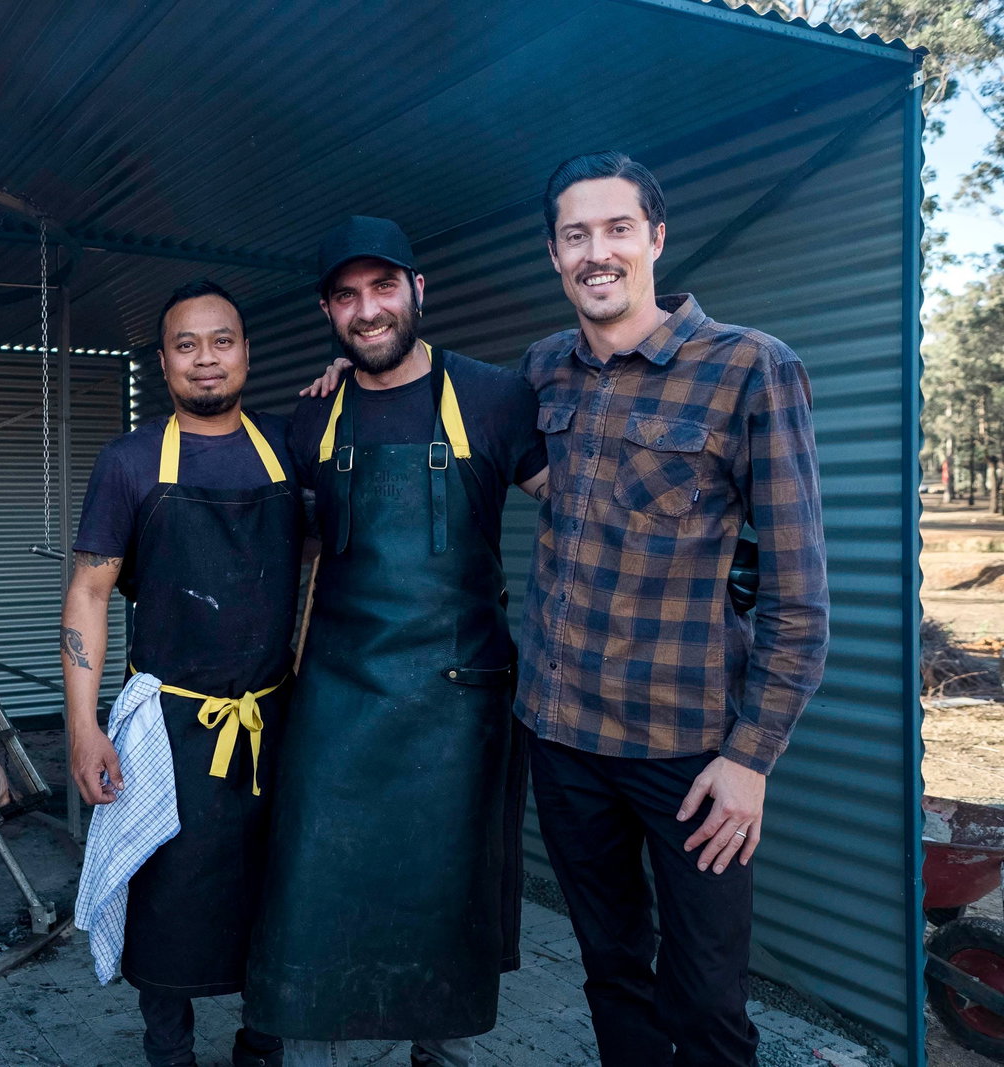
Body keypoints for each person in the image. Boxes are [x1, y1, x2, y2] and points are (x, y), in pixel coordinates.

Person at [518, 151, 828, 1066]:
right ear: (555, 254)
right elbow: (444, 410)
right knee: (612, 972)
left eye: (617, 228)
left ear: (656, 237)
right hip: (563, 737)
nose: (597, 251)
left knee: (704, 1001)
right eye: (577, 234)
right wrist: (348, 373)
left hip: (690, 756)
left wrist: (750, 759)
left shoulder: (751, 369)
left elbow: (800, 593)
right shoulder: (543, 369)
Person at [244, 217, 548, 1067]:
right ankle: (288, 1034)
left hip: (458, 704)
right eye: (348, 295)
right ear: (327, 311)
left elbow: (577, 505)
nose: (368, 309)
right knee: (309, 879)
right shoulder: (312, 421)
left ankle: (435, 1049)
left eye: (384, 287)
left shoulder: (494, 397)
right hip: (337, 696)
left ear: (420, 290)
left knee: (441, 892)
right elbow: (281, 541)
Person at [65, 279, 299, 1067]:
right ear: (163, 363)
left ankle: (260, 1046)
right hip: (166, 729)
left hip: (275, 724)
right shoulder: (129, 462)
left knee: (277, 897)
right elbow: (89, 592)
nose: (207, 360)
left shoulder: (290, 447)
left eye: (221, 341)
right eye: (187, 345)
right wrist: (83, 726)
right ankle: (169, 1051)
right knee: (163, 899)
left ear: (245, 350)